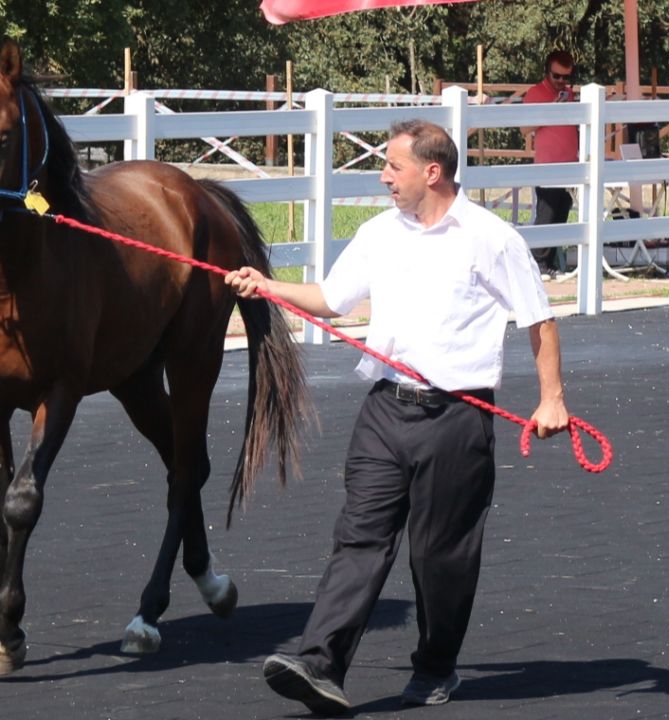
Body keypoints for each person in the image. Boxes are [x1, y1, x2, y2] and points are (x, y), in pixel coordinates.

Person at [226, 120, 570, 715]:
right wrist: (268, 286)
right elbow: (332, 300)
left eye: (393, 166)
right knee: (359, 537)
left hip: (457, 418)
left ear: (431, 172)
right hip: (385, 410)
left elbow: (538, 318)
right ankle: (319, 664)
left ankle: (437, 666)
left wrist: (552, 399)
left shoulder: (490, 238)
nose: (383, 176)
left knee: (439, 555)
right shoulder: (379, 233)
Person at [521, 49, 579, 279]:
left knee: (563, 205)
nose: (562, 82)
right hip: (547, 163)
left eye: (567, 77)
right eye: (557, 76)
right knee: (548, 210)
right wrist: (551, 108)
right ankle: (538, 263)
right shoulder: (536, 93)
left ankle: (550, 262)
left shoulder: (569, 94)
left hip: (568, 163)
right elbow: (524, 129)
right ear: (547, 73)